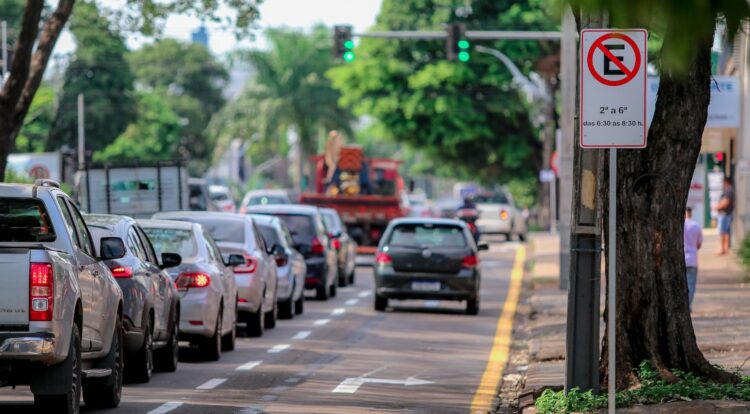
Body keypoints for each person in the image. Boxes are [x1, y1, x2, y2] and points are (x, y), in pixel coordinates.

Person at [684, 207, 703, 310]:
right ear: (691, 214)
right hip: (692, 259)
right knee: (691, 285)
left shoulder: (679, 226)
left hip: (681, 260)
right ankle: (688, 306)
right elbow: (698, 244)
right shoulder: (696, 226)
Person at [716, 177, 734, 255]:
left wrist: (718, 206)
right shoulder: (728, 190)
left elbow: (726, 202)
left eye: (723, 182)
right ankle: (724, 249)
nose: (722, 184)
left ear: (726, 182)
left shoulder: (728, 190)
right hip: (725, 214)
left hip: (725, 214)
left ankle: (724, 249)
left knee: (724, 232)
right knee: (724, 232)